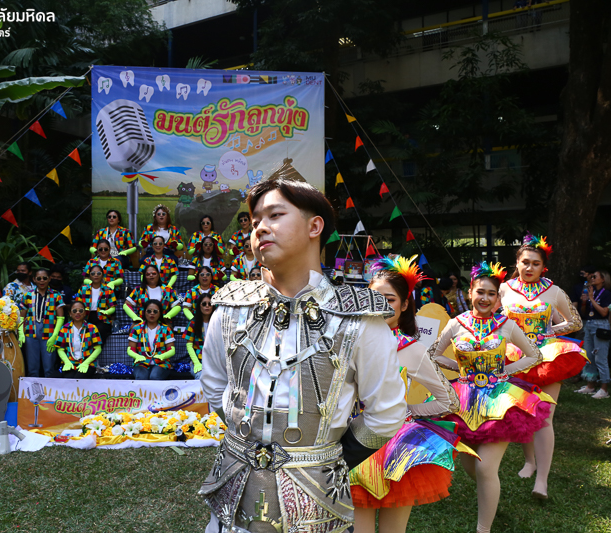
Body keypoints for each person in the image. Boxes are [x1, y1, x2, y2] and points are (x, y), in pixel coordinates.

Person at [199, 176, 406, 533]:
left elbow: (386, 415)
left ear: (315, 227)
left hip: (318, 506)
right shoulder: (230, 310)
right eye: (255, 220)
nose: (260, 227)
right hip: (232, 499)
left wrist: (328, 457)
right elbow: (216, 387)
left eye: (275, 215)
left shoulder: (359, 321)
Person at [429, 261, 554, 533]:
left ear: (498, 298)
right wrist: (459, 368)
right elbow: (434, 354)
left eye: (491, 293)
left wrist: (505, 371)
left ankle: (483, 529)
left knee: (485, 468)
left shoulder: (506, 325)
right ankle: (490, 491)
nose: (485, 298)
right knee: (471, 466)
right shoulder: (456, 323)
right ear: (470, 292)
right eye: (480, 292)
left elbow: (534, 355)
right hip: (463, 401)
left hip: (499, 400)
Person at [350, 256, 463, 533]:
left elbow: (449, 400)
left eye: (389, 299)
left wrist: (409, 411)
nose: (381, 305)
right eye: (375, 298)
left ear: (403, 305)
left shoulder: (412, 350)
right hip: (353, 442)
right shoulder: (349, 342)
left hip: (396, 448)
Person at [499, 233, 588, 499]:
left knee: (544, 418)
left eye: (535, 263)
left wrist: (549, 332)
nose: (529, 267)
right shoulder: (503, 289)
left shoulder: (554, 291)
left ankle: (542, 481)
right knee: (524, 413)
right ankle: (530, 462)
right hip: (513, 358)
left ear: (543, 267)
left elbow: (575, 322)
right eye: (525, 262)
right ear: (517, 263)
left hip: (546, 356)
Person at [18, 268, 65, 378]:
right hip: (30, 332)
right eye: (39, 278)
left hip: (49, 333)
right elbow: (22, 316)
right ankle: (32, 388)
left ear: (49, 279)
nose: (42, 281)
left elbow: (61, 317)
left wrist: (55, 335)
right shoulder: (27, 295)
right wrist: (21, 333)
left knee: (49, 367)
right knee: (32, 367)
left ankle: (50, 388)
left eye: (44, 278)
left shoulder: (56, 295)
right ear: (34, 279)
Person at [575, 269, 611, 399]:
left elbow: (604, 312)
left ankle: (604, 389)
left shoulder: (606, 294)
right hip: (589, 323)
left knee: (600, 358)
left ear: (603, 279)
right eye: (591, 277)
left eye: (595, 277)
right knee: (589, 356)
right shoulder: (592, 292)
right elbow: (584, 312)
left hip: (601, 325)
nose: (592, 279)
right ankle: (590, 385)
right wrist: (584, 301)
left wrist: (591, 299)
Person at [127, 300, 175, 380]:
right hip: (141, 363)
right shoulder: (136, 328)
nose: (152, 313)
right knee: (141, 377)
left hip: (161, 363)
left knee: (155, 376)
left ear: (160, 313)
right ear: (144, 312)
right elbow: (130, 349)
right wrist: (137, 356)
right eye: (149, 311)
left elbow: (172, 350)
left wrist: (162, 356)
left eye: (155, 311)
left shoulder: (166, 329)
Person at [54, 301, 102, 379]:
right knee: (68, 379)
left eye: (81, 310)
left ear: (85, 313)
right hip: (70, 364)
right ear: (70, 313)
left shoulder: (92, 328)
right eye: (74, 311)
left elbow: (98, 349)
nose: (77, 313)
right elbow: (60, 349)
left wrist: (86, 363)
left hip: (88, 364)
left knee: (78, 378)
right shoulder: (64, 328)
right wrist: (67, 362)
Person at [73, 265, 116, 348]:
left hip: (102, 318)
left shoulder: (108, 290)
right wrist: (82, 310)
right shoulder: (83, 289)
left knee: (99, 332)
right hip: (85, 317)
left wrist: (107, 312)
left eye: (98, 273)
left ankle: (96, 351)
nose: (96, 275)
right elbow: (77, 304)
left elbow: (113, 307)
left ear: (102, 275)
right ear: (90, 276)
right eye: (93, 273)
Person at [182, 293, 213, 380]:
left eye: (210, 304)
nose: (207, 306)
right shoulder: (193, 323)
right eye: (204, 304)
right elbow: (189, 345)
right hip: (198, 361)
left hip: (214, 361)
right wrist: (196, 363)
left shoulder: (218, 322)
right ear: (199, 306)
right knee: (201, 377)